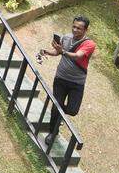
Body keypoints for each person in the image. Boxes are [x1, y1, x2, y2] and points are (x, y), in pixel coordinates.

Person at [38, 16, 95, 147]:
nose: (75, 30)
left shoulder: (89, 44)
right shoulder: (66, 37)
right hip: (61, 78)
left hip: (77, 82)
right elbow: (57, 53)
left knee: (72, 110)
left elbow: (78, 55)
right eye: (73, 26)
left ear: (86, 30)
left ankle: (58, 114)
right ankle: (53, 133)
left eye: (79, 28)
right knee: (56, 105)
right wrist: (47, 51)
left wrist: (62, 51)